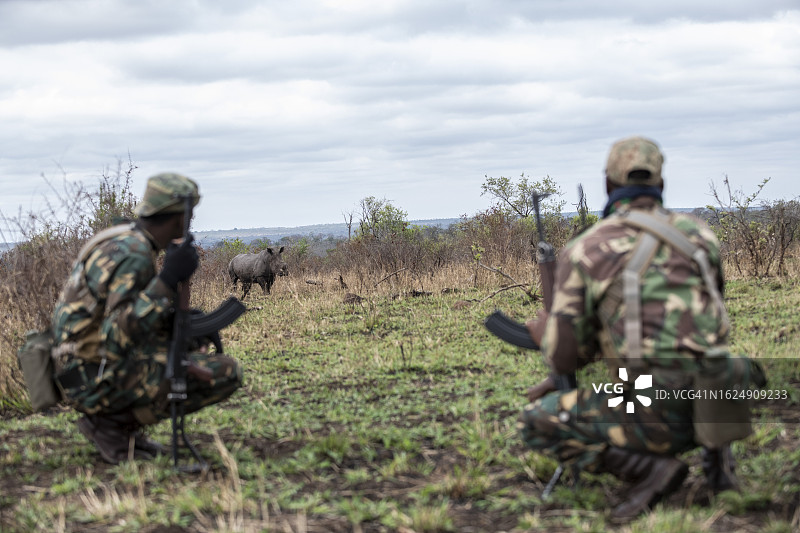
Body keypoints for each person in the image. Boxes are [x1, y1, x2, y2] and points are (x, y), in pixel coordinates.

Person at [518, 137, 753, 521]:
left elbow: (565, 359)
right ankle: (718, 455)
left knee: (537, 419)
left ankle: (650, 469)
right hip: (722, 398)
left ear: (608, 184)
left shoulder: (587, 248)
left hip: (655, 411)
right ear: (660, 183)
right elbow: (708, 320)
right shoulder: (700, 237)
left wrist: (548, 337)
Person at [52, 173, 243, 464]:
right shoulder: (135, 253)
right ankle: (111, 424)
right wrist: (167, 279)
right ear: (178, 216)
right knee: (227, 372)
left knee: (189, 351)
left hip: (80, 368)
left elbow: (116, 318)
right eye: (190, 214)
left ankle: (114, 421)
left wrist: (181, 322)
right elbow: (115, 336)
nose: (191, 221)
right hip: (90, 378)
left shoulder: (123, 240)